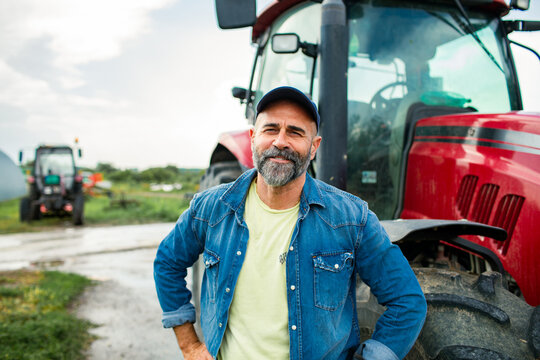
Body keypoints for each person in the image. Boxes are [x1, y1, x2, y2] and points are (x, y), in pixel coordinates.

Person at [154, 86, 427, 360]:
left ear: (314, 147)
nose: (281, 141)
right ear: (253, 138)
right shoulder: (212, 208)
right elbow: (168, 261)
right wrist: (189, 345)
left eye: (295, 132)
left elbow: (407, 302)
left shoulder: (352, 218)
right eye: (270, 129)